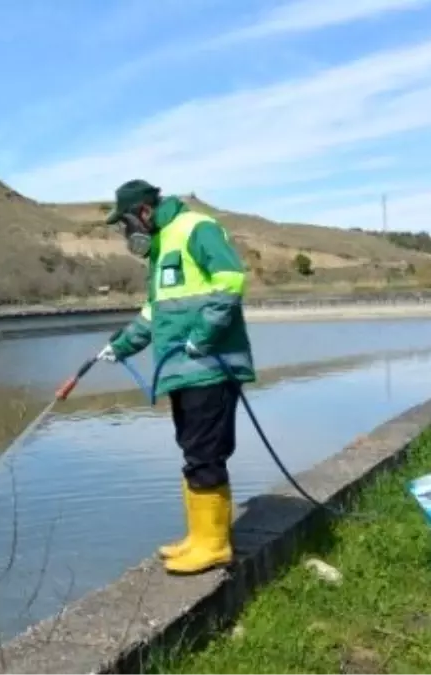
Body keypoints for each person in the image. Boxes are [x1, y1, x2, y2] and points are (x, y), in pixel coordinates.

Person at [95, 179, 256, 575]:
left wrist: (203, 336)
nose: (125, 233)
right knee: (193, 451)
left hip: (210, 368)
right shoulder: (162, 247)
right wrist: (121, 346)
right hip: (182, 372)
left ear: (144, 213)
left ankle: (214, 545)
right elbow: (156, 313)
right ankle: (199, 537)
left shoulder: (196, 228)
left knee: (205, 453)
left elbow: (231, 280)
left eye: (125, 223)